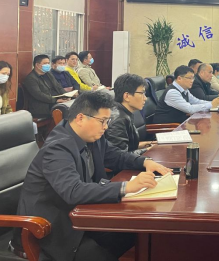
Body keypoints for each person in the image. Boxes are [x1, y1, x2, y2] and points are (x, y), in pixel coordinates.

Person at [11, 91, 171, 261]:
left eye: (108, 121)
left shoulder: (91, 136)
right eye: (103, 121)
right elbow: (73, 191)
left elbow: (116, 156)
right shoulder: (57, 148)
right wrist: (126, 187)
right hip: (51, 230)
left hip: (81, 216)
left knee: (143, 234)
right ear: (80, 118)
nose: (106, 127)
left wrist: (144, 162)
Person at [105, 74, 156, 155]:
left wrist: (145, 145)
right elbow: (120, 157)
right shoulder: (118, 120)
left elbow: (126, 147)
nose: (145, 98)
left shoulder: (123, 112)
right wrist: (147, 150)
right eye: (142, 93)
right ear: (127, 96)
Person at [153, 65, 219, 124]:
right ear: (179, 78)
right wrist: (211, 104)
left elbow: (196, 101)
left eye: (193, 78)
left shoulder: (184, 90)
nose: (192, 81)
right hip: (167, 129)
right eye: (189, 78)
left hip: (180, 125)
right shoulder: (172, 92)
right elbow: (189, 109)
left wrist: (214, 103)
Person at [22, 54, 70, 119]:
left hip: (54, 102)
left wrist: (66, 96)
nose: (47, 65)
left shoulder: (48, 74)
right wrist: (56, 100)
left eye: (48, 63)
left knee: (72, 105)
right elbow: (38, 95)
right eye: (45, 63)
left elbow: (58, 86)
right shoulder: (31, 78)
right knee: (65, 111)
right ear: (37, 65)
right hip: (42, 106)